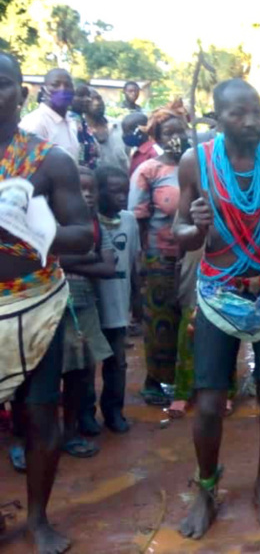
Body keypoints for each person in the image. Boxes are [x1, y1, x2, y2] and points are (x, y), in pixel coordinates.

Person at [173, 79, 260, 539]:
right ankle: (206, 488)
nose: (251, 120)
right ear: (217, 118)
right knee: (210, 404)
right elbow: (180, 235)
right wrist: (193, 226)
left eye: (256, 111)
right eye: (238, 113)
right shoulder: (196, 160)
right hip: (218, 292)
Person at [0, 52, 93, 554]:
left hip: (35, 305)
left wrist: (33, 228)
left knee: (39, 417)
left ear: (21, 91)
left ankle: (38, 519)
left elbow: (83, 235)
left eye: (1, 84)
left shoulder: (49, 161)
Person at [128, 100, 188, 407]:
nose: (176, 136)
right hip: (158, 256)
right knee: (160, 320)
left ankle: (186, 380)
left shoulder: (196, 164)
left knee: (190, 319)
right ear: (158, 137)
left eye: (180, 129)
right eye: (169, 132)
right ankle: (155, 378)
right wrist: (142, 259)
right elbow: (137, 218)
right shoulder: (148, 170)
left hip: (192, 256)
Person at [58, 167, 115, 453]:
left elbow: (107, 267)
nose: (88, 194)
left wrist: (67, 261)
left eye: (92, 189)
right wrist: (87, 256)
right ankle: (27, 437)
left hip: (83, 305)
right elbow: (43, 258)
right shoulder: (50, 222)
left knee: (80, 374)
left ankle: (70, 432)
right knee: (41, 374)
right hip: (51, 308)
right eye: (80, 188)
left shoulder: (96, 226)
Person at [89, 165, 139, 433]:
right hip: (93, 306)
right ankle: (86, 413)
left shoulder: (129, 221)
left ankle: (113, 411)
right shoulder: (88, 220)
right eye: (114, 191)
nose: (122, 196)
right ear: (98, 192)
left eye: (126, 191)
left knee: (116, 362)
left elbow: (134, 262)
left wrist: (138, 303)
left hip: (119, 306)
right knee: (86, 365)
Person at [19, 68, 78, 162]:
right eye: (55, 85)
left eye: (67, 85)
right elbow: (27, 168)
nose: (62, 89)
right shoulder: (35, 122)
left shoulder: (70, 121)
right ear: (43, 90)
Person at [80, 89, 129, 170]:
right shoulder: (79, 131)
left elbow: (129, 155)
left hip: (121, 181)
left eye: (99, 98)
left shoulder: (119, 126)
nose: (97, 103)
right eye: (91, 100)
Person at [122, 112, 160, 176]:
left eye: (127, 132)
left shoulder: (154, 152)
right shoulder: (138, 151)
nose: (124, 135)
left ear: (140, 130)